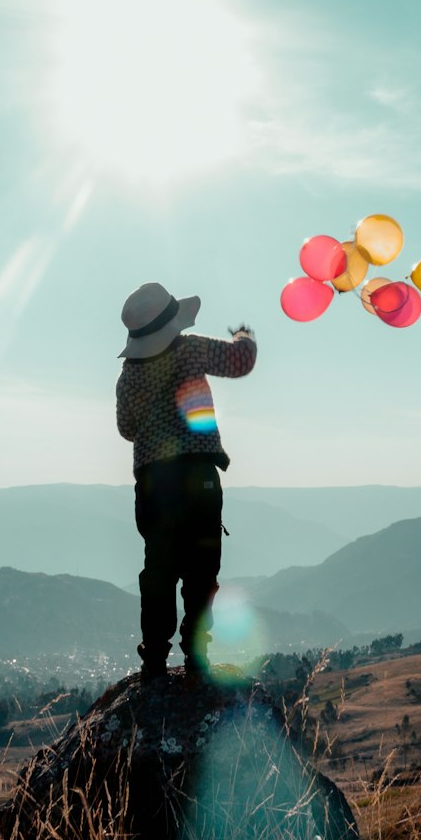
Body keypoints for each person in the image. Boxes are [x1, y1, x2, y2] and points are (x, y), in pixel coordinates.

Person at [115, 281, 257, 684]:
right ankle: (197, 655)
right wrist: (243, 334)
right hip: (199, 474)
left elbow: (127, 429)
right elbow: (240, 361)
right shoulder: (191, 349)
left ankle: (155, 659)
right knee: (202, 568)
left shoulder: (129, 376)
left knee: (158, 566)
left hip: (155, 481)